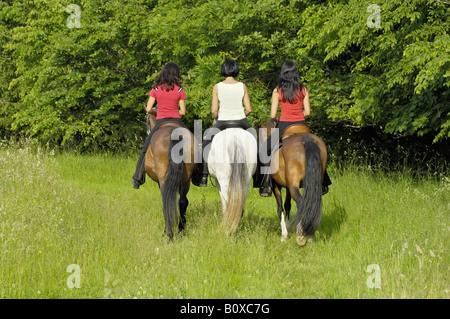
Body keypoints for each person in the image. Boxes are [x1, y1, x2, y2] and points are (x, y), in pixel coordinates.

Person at [258, 60, 331, 196]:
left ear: (283, 74)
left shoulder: (277, 90)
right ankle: (323, 183)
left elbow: (273, 115)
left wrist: (283, 117)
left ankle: (266, 185)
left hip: (285, 125)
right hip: (302, 125)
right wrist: (298, 115)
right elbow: (307, 112)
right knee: (316, 148)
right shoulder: (304, 89)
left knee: (264, 150)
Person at [192, 59, 253, 187]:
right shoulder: (242, 86)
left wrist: (217, 116)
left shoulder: (217, 87)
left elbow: (214, 110)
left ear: (223, 70)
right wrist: (240, 115)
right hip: (241, 120)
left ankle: (202, 175)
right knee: (257, 144)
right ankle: (260, 179)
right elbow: (248, 109)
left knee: (205, 144)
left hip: (223, 121)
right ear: (236, 70)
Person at [132, 62, 187, 189]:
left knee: (145, 150)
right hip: (177, 121)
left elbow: (148, 109)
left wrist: (158, 112)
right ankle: (199, 174)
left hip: (161, 122)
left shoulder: (156, 89)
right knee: (194, 144)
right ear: (176, 75)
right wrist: (173, 111)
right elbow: (183, 112)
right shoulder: (179, 90)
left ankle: (137, 177)